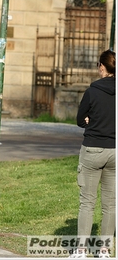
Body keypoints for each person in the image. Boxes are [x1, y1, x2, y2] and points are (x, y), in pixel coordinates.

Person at [70, 50, 115, 258]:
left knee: (87, 202)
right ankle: (104, 250)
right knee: (111, 204)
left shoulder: (92, 91)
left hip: (92, 150)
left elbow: (80, 119)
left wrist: (89, 120)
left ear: (102, 67)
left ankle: (81, 250)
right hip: (115, 152)